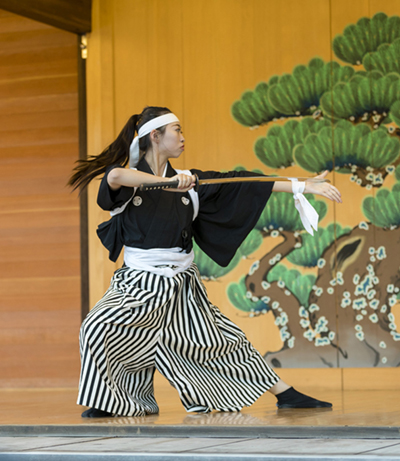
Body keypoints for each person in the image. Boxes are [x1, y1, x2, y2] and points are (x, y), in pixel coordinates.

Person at [69, 106, 342, 418]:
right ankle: (116, 401)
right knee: (97, 327)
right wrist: (168, 185)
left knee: (222, 340)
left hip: (182, 285)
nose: (183, 138)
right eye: (177, 131)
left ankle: (286, 394)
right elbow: (115, 175)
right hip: (137, 282)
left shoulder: (190, 185)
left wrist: (303, 185)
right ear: (155, 137)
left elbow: (243, 183)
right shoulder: (132, 183)